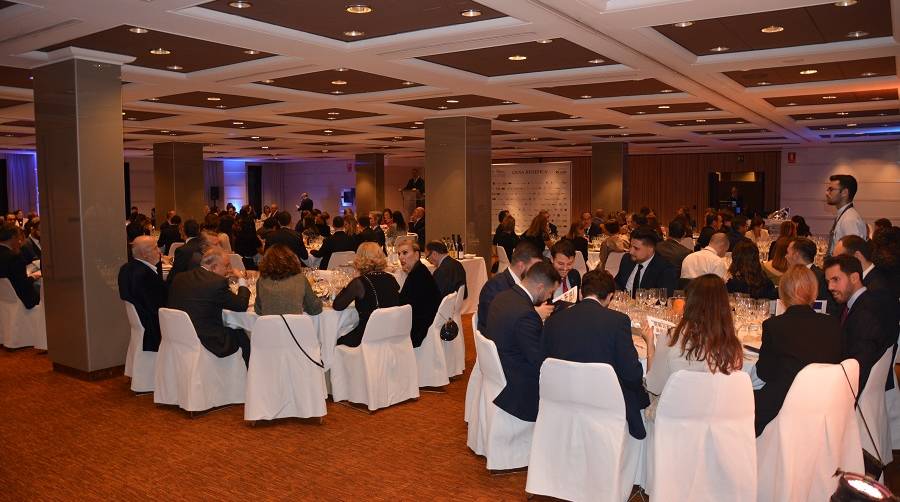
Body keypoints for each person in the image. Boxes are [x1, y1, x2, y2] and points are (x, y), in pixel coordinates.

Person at [543, 269, 649, 439]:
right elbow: (632, 376)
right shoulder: (618, 321)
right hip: (605, 401)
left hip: (562, 397)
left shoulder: (554, 320)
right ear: (610, 297)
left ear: (579, 294)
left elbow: (544, 363)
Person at [753, 265, 843, 436]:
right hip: (824, 403)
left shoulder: (774, 326)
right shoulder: (832, 324)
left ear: (783, 295)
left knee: (740, 403)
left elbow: (765, 373)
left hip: (783, 405)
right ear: (814, 293)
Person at [643, 274, 744, 418]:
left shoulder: (671, 337)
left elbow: (653, 387)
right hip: (716, 421)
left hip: (675, 421)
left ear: (690, 303)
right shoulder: (733, 344)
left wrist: (650, 346)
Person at [486, 262, 561, 422]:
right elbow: (538, 361)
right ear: (540, 287)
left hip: (499, 370)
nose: (549, 297)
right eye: (550, 292)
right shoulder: (526, 315)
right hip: (517, 385)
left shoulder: (502, 297)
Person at [167, 247, 252, 366]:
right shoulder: (216, 283)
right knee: (241, 334)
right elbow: (241, 305)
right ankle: (245, 376)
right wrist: (242, 279)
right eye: (226, 266)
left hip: (179, 337)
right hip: (207, 340)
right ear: (214, 267)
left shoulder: (180, 277)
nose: (229, 270)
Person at [824, 255, 895, 393]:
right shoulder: (861, 303)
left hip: (856, 389)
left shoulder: (866, 313)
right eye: (828, 281)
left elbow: (860, 363)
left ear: (854, 278)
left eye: (836, 280)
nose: (830, 287)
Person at [333, 242, 401, 347]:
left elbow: (337, 305)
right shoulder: (391, 278)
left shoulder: (359, 283)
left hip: (367, 336)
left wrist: (350, 282)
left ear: (359, 258)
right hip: (390, 333)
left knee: (336, 341)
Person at [477, 241, 544, 333]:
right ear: (521, 266)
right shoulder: (494, 287)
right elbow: (493, 322)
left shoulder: (529, 283)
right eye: (534, 267)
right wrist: (535, 313)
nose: (537, 272)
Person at [118, 236, 167, 352]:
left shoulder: (126, 269)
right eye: (156, 248)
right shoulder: (146, 276)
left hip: (140, 323)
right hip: (151, 328)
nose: (159, 251)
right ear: (145, 254)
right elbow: (158, 305)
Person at [396, 237, 441, 348]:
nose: (401, 257)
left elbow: (403, 304)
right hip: (428, 325)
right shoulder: (421, 270)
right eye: (399, 254)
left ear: (416, 255)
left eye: (405, 253)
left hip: (419, 331)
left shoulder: (417, 276)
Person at [254, 245, 322, 316]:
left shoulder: (261, 281)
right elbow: (315, 309)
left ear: (265, 262)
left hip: (269, 326)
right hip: (294, 326)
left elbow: (258, 310)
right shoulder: (300, 278)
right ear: (292, 260)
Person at [615, 225, 678, 296]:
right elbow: (617, 284)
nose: (631, 251)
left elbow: (663, 299)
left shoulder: (665, 269)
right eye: (630, 246)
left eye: (636, 248)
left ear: (650, 249)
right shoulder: (627, 259)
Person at [785, 237, 835, 314]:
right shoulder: (790, 276)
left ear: (796, 255)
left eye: (788, 253)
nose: (786, 256)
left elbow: (828, 308)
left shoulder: (821, 279)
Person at [0, 222, 40, 309]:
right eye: (18, 238)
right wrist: (32, 278)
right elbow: (23, 286)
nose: (20, 242)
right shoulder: (14, 258)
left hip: (3, 303)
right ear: (13, 238)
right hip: (20, 305)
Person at [826, 174, 868, 256]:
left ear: (844, 192)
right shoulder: (845, 215)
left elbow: (853, 254)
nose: (827, 193)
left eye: (831, 189)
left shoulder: (849, 219)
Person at [167, 219, 204, 285]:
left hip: (187, 285)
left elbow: (174, 275)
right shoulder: (204, 245)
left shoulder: (182, 250)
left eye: (181, 229)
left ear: (183, 232)